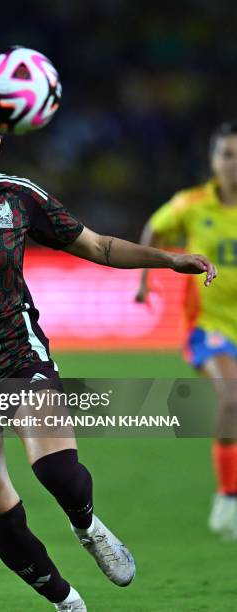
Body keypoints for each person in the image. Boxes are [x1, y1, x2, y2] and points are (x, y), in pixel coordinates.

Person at [0, 96, 216, 611]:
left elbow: (99, 246)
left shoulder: (20, 198)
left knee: (58, 472)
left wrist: (168, 259)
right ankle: (66, 601)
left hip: (17, 356)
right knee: (4, 518)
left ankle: (87, 525)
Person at [136, 121, 237, 540]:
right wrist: (144, 279)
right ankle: (228, 498)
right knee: (232, 396)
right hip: (208, 326)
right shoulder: (191, 204)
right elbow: (154, 229)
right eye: (227, 154)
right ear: (213, 161)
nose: (234, 164)